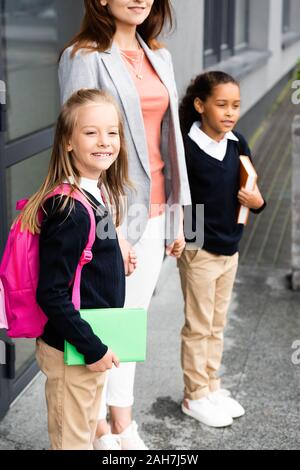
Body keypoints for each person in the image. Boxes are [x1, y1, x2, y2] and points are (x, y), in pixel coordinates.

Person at [58, 0, 191, 450]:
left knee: (132, 320)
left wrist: (178, 216)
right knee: (102, 320)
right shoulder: (83, 56)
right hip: (109, 212)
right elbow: (74, 143)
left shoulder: (160, 54)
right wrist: (108, 227)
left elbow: (170, 142)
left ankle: (123, 423)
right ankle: (99, 429)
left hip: (155, 210)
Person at [21, 88, 133, 450]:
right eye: (91, 132)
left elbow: (84, 260)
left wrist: (116, 259)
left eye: (112, 132)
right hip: (76, 348)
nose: (105, 141)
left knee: (83, 434)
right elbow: (52, 293)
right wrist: (94, 349)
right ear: (68, 142)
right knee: (72, 442)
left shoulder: (95, 192)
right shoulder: (69, 209)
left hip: (88, 342)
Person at [178, 71, 266, 428]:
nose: (230, 112)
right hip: (200, 251)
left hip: (231, 249)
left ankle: (212, 385)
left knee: (216, 324)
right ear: (200, 105)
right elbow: (179, 200)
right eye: (221, 105)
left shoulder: (237, 142)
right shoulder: (186, 148)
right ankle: (194, 394)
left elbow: (251, 186)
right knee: (198, 327)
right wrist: (187, 238)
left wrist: (259, 203)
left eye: (236, 105)